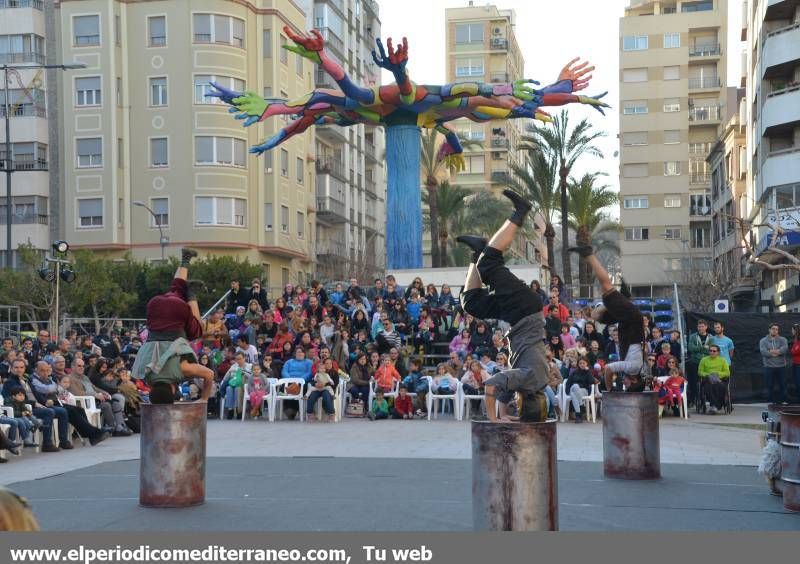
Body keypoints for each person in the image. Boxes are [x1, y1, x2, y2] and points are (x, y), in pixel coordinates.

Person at [457, 189, 549, 422]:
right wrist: (495, 419)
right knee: (490, 261)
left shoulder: (528, 384)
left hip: (518, 315)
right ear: (525, 401)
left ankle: (476, 251)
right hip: (525, 309)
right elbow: (490, 386)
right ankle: (521, 210)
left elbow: (503, 393)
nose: (514, 404)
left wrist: (505, 413)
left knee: (472, 304)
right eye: (518, 406)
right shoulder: (529, 379)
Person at [131, 249, 214, 404]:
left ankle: (192, 294)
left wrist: (204, 399)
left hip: (175, 322)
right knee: (176, 291)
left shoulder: (182, 370)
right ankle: (185, 259)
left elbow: (209, 374)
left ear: (173, 389)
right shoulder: (148, 377)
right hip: (154, 305)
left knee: (197, 331)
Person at [568, 245, 644, 393]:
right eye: (627, 384)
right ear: (634, 380)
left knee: (595, 316)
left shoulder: (633, 368)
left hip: (626, 321)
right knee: (606, 286)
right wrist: (610, 391)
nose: (625, 382)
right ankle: (588, 254)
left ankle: (622, 299)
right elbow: (608, 369)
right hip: (631, 318)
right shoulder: (633, 368)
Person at [686, 319, 713, 407]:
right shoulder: (693, 336)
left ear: (706, 327)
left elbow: (711, 350)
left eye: (702, 326)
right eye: (699, 327)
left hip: (707, 364)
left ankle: (705, 400)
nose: (700, 328)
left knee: (707, 381)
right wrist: (703, 348)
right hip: (695, 362)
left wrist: (700, 349)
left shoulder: (711, 337)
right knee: (693, 382)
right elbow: (690, 348)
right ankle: (692, 400)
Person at [760, 323, 788, 404]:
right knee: (769, 385)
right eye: (773, 328)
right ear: (769, 329)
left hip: (781, 366)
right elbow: (764, 352)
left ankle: (783, 401)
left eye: (776, 329)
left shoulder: (783, 339)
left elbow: (784, 350)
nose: (775, 330)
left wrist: (772, 351)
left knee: (783, 385)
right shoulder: (763, 340)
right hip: (768, 367)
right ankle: (770, 402)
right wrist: (777, 352)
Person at [698, 345, 730, 413]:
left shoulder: (723, 360)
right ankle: (715, 405)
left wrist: (717, 374)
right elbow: (700, 372)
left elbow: (727, 372)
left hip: (719, 379)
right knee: (709, 386)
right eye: (710, 350)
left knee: (719, 385)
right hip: (708, 379)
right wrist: (709, 375)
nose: (712, 352)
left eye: (714, 351)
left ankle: (715, 405)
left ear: (718, 352)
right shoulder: (704, 360)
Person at [567, 357, 596, 423]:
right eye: (580, 363)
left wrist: (588, 371)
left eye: (583, 363)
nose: (582, 364)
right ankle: (581, 405)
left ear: (587, 364)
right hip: (573, 388)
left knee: (573, 395)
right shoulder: (574, 372)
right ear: (578, 364)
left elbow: (592, 381)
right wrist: (567, 391)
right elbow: (568, 382)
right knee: (575, 386)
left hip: (584, 391)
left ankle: (578, 416)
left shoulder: (588, 372)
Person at [792, 325, 800, 403]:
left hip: (799, 365)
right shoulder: (796, 341)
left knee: (799, 383)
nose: (792, 332)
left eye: (793, 330)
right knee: (797, 383)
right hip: (795, 365)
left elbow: (795, 352)